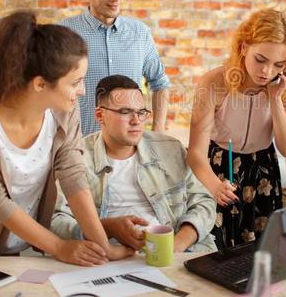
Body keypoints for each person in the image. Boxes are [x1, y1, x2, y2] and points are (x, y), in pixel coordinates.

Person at [0, 11, 133, 265]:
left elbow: (72, 174)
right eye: (75, 82)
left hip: (9, 247)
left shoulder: (64, 110)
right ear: (40, 84)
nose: (83, 90)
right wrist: (60, 247)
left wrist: (102, 247)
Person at [51, 75, 217, 252]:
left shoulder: (171, 149)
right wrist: (108, 228)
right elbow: (56, 219)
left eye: (141, 112)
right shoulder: (76, 157)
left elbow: (203, 202)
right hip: (110, 257)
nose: (136, 121)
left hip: (179, 253)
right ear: (100, 115)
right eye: (125, 112)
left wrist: (177, 245)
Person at [186, 9, 286, 248]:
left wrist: (276, 99)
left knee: (259, 254)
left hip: (263, 172)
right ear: (243, 48)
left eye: (277, 64)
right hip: (217, 169)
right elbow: (195, 153)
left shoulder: (285, 87)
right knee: (215, 250)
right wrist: (214, 186)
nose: (266, 71)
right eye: (260, 59)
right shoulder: (212, 83)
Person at [60, 0, 170, 135]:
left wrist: (157, 133)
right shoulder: (65, 33)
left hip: (130, 152)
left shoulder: (140, 33)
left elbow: (160, 84)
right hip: (79, 149)